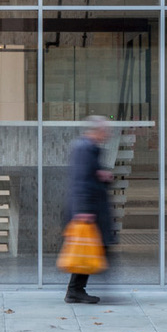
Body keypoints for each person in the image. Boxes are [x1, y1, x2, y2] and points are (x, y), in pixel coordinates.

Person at [62, 117, 115, 304]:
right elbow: (80, 181)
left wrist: (102, 175)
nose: (108, 134)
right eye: (105, 130)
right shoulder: (84, 148)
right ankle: (76, 290)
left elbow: (88, 176)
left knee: (94, 249)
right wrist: (82, 210)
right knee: (89, 249)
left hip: (93, 207)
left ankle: (76, 290)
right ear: (97, 131)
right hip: (88, 210)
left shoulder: (90, 148)